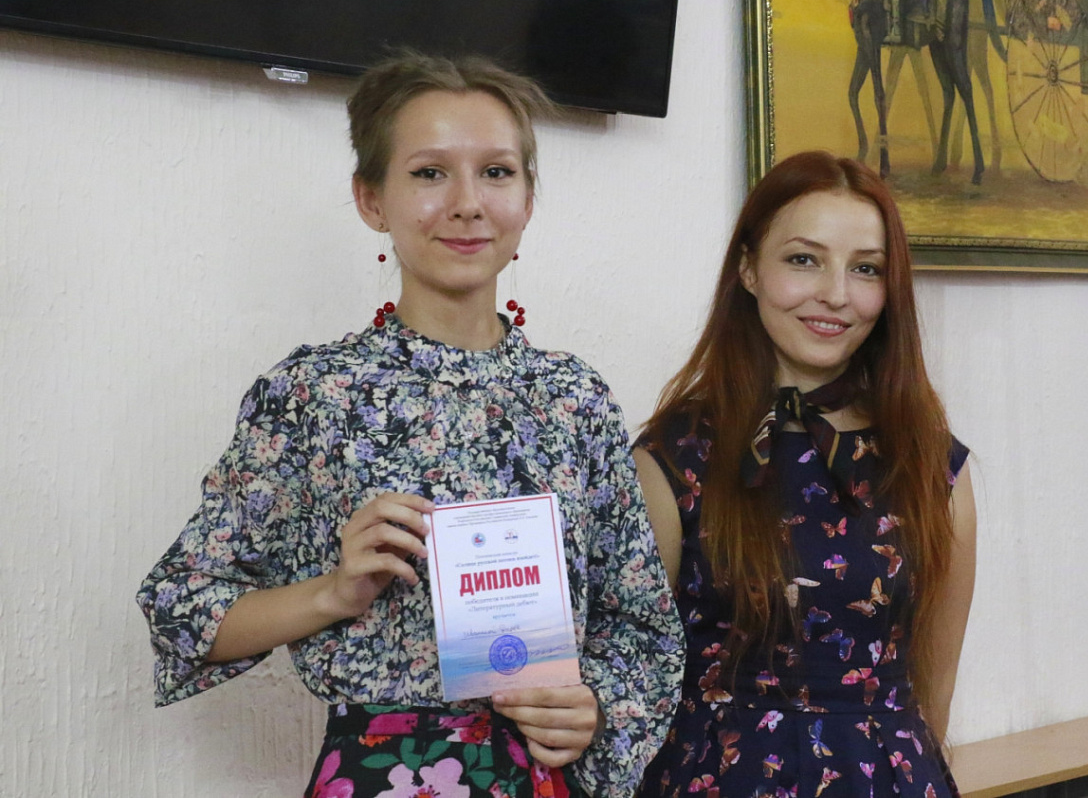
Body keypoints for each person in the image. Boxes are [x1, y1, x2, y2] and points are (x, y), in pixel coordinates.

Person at [137, 52, 683, 798]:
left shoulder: (574, 398)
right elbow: (181, 605)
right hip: (378, 775)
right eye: (430, 173)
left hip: (539, 777)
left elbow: (643, 627)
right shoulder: (313, 394)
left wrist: (593, 710)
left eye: (496, 173)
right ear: (372, 199)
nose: (467, 203)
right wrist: (333, 593)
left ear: (527, 200)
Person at [633, 151, 976, 798]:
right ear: (748, 269)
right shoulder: (672, 458)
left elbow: (934, 693)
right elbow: (630, 679)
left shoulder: (930, 465)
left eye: (866, 268)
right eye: (803, 259)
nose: (836, 294)